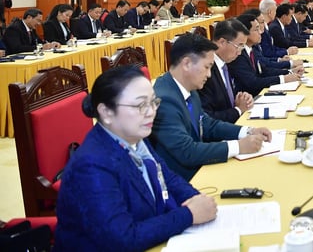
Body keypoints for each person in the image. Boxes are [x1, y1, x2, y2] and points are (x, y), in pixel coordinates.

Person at [54, 66, 218, 251]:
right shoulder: (91, 165)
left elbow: (167, 178)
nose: (151, 112)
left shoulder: (134, 136)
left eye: (153, 102)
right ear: (106, 112)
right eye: (140, 105)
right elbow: (122, 239)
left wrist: (196, 199)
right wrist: (188, 214)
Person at [149, 33, 272, 180]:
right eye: (207, 67)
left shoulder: (188, 87)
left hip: (201, 168)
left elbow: (207, 124)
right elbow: (187, 151)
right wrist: (238, 146)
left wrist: (248, 131)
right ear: (187, 64)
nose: (208, 75)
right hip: (185, 179)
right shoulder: (165, 100)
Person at [198, 19, 255, 123]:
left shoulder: (225, 62)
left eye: (242, 47)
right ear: (222, 42)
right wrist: (238, 110)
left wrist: (242, 98)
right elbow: (207, 118)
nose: (239, 53)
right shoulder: (205, 70)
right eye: (238, 46)